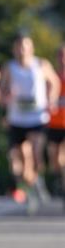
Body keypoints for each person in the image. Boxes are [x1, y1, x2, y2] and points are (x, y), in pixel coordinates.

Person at [0, 34, 59, 211]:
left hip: (37, 118)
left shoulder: (41, 65)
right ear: (14, 49)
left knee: (34, 154)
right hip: (16, 118)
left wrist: (52, 100)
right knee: (16, 161)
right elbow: (1, 89)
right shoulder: (9, 67)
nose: (22, 50)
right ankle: (32, 184)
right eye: (18, 46)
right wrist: (5, 99)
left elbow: (54, 82)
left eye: (25, 46)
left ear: (31, 48)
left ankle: (35, 183)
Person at [46, 43, 65, 200]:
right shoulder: (53, 77)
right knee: (55, 158)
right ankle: (59, 178)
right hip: (54, 123)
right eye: (60, 55)